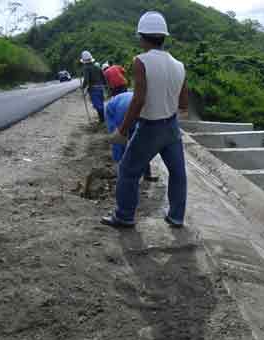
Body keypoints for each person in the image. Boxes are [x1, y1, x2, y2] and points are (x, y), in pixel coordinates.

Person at [101, 11, 189, 229]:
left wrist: (122, 130)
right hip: (172, 127)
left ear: (142, 36)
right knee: (178, 174)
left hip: (150, 127)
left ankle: (124, 216)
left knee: (128, 171)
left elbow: (138, 100)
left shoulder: (141, 61)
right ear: (163, 36)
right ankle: (176, 217)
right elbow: (184, 102)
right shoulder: (179, 65)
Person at [105, 91, 158, 182]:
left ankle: (146, 174)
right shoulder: (123, 110)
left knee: (142, 144)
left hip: (131, 112)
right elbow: (120, 134)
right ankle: (120, 173)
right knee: (119, 142)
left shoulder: (149, 109)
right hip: (113, 111)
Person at [81, 50, 107, 122]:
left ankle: (103, 120)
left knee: (98, 105)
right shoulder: (97, 67)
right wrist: (105, 86)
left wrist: (83, 87)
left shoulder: (86, 68)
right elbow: (103, 77)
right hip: (100, 88)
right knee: (100, 104)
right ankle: (102, 119)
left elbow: (86, 80)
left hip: (94, 89)